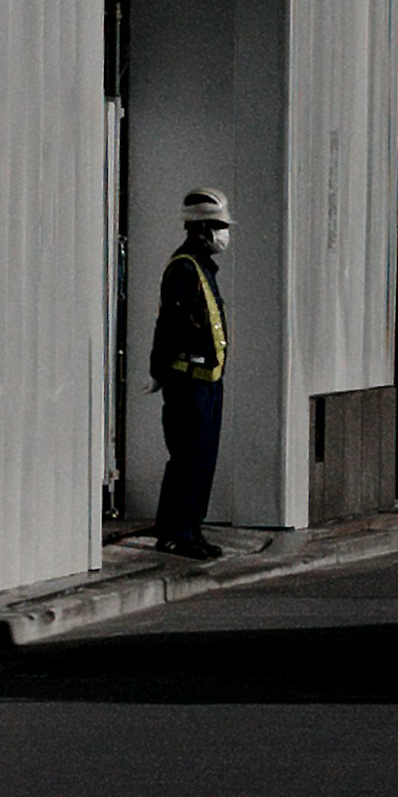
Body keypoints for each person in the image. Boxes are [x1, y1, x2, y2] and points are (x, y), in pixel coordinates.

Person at [148, 187, 233, 560]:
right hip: (189, 384)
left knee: (201, 459)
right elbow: (168, 324)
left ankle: (190, 528)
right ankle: (176, 532)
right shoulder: (184, 268)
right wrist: (159, 370)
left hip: (208, 383)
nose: (223, 234)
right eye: (218, 226)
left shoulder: (202, 268)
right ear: (200, 229)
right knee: (187, 458)